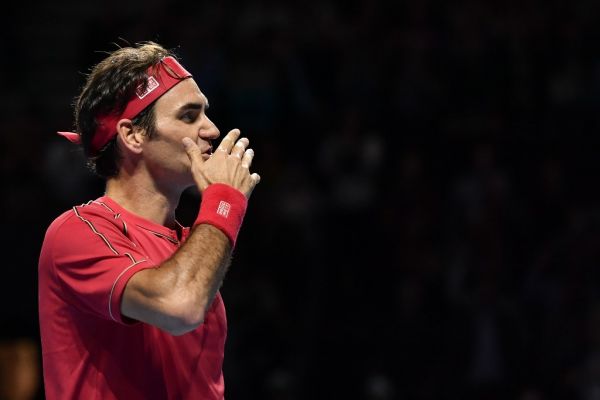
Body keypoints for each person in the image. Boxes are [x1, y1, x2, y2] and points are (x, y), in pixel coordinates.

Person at [38, 41, 260, 399]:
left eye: (206, 113)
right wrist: (223, 203)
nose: (212, 130)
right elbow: (180, 305)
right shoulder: (76, 232)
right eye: (189, 116)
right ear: (133, 135)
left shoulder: (195, 245)